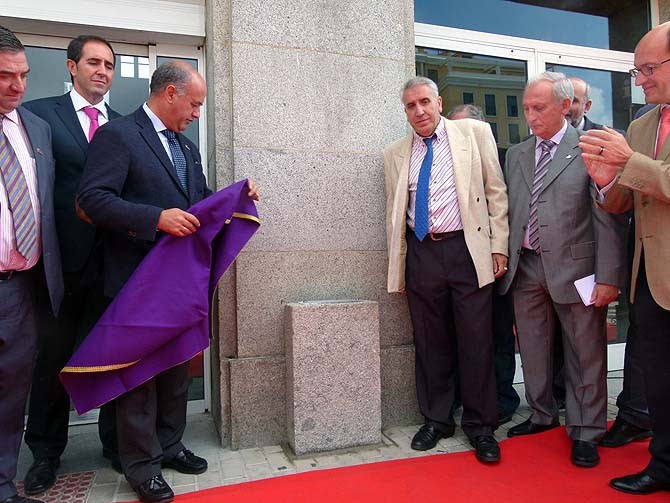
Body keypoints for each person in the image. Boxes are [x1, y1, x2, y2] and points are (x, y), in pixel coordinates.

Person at [77, 61, 258, 503]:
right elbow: (92, 199)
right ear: (170, 93)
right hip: (135, 283)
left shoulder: (187, 147)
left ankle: (170, 444)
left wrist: (236, 197)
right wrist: (155, 218)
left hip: (177, 285)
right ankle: (141, 466)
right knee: (138, 379)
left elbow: (200, 203)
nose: (197, 113)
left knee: (176, 370)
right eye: (194, 104)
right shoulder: (118, 135)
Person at [500, 72, 627, 468]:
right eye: (526, 109)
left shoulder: (588, 148)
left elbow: (607, 217)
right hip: (526, 266)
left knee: (585, 353)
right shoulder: (516, 154)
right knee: (533, 348)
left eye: (539, 108)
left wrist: (608, 276)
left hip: (577, 269)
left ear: (565, 106)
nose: (531, 116)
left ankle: (586, 430)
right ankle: (541, 414)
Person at [384, 76, 508, 464]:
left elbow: (496, 192)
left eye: (424, 101)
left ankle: (481, 426)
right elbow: (394, 214)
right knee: (429, 340)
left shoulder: (474, 133)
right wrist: (399, 266)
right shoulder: (395, 153)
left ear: (438, 102)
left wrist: (498, 246)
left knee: (476, 339)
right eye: (410, 105)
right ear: (405, 111)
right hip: (422, 251)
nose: (419, 111)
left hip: (466, 249)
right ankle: (437, 420)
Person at [21, 35, 121, 495]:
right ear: (71, 66)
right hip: (61, 266)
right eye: (93, 62)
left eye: (109, 65)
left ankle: (116, 443)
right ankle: (45, 452)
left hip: (115, 264)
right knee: (53, 360)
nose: (102, 71)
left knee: (113, 357)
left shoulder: (125, 125)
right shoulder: (39, 117)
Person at [579, 21, 670, 496]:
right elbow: (627, 200)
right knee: (659, 380)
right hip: (650, 277)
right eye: (638, 71)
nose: (641, 80)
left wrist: (628, 163)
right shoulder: (641, 124)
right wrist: (605, 180)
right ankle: (664, 465)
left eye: (649, 69)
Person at [0, 25, 63, 503]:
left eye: (23, 75)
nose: (18, 86)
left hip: (21, 287)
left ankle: (3, 486)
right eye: (5, 76)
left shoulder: (34, 127)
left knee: (11, 393)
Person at [447, 103, 520, 425]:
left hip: (493, 258)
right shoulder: (444, 161)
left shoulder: (503, 158)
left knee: (497, 332)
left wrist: (498, 249)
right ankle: (462, 396)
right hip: (457, 261)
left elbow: (503, 204)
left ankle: (503, 398)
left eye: (463, 128)